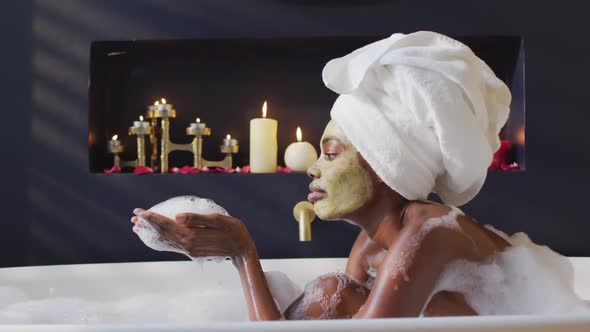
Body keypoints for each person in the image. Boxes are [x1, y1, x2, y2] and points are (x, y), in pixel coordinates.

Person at [131, 31, 515, 319]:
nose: (313, 167)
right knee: (333, 292)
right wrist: (239, 255)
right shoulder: (369, 248)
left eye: (331, 154)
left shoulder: (432, 230)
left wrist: (243, 251)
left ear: (384, 166)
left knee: (333, 291)